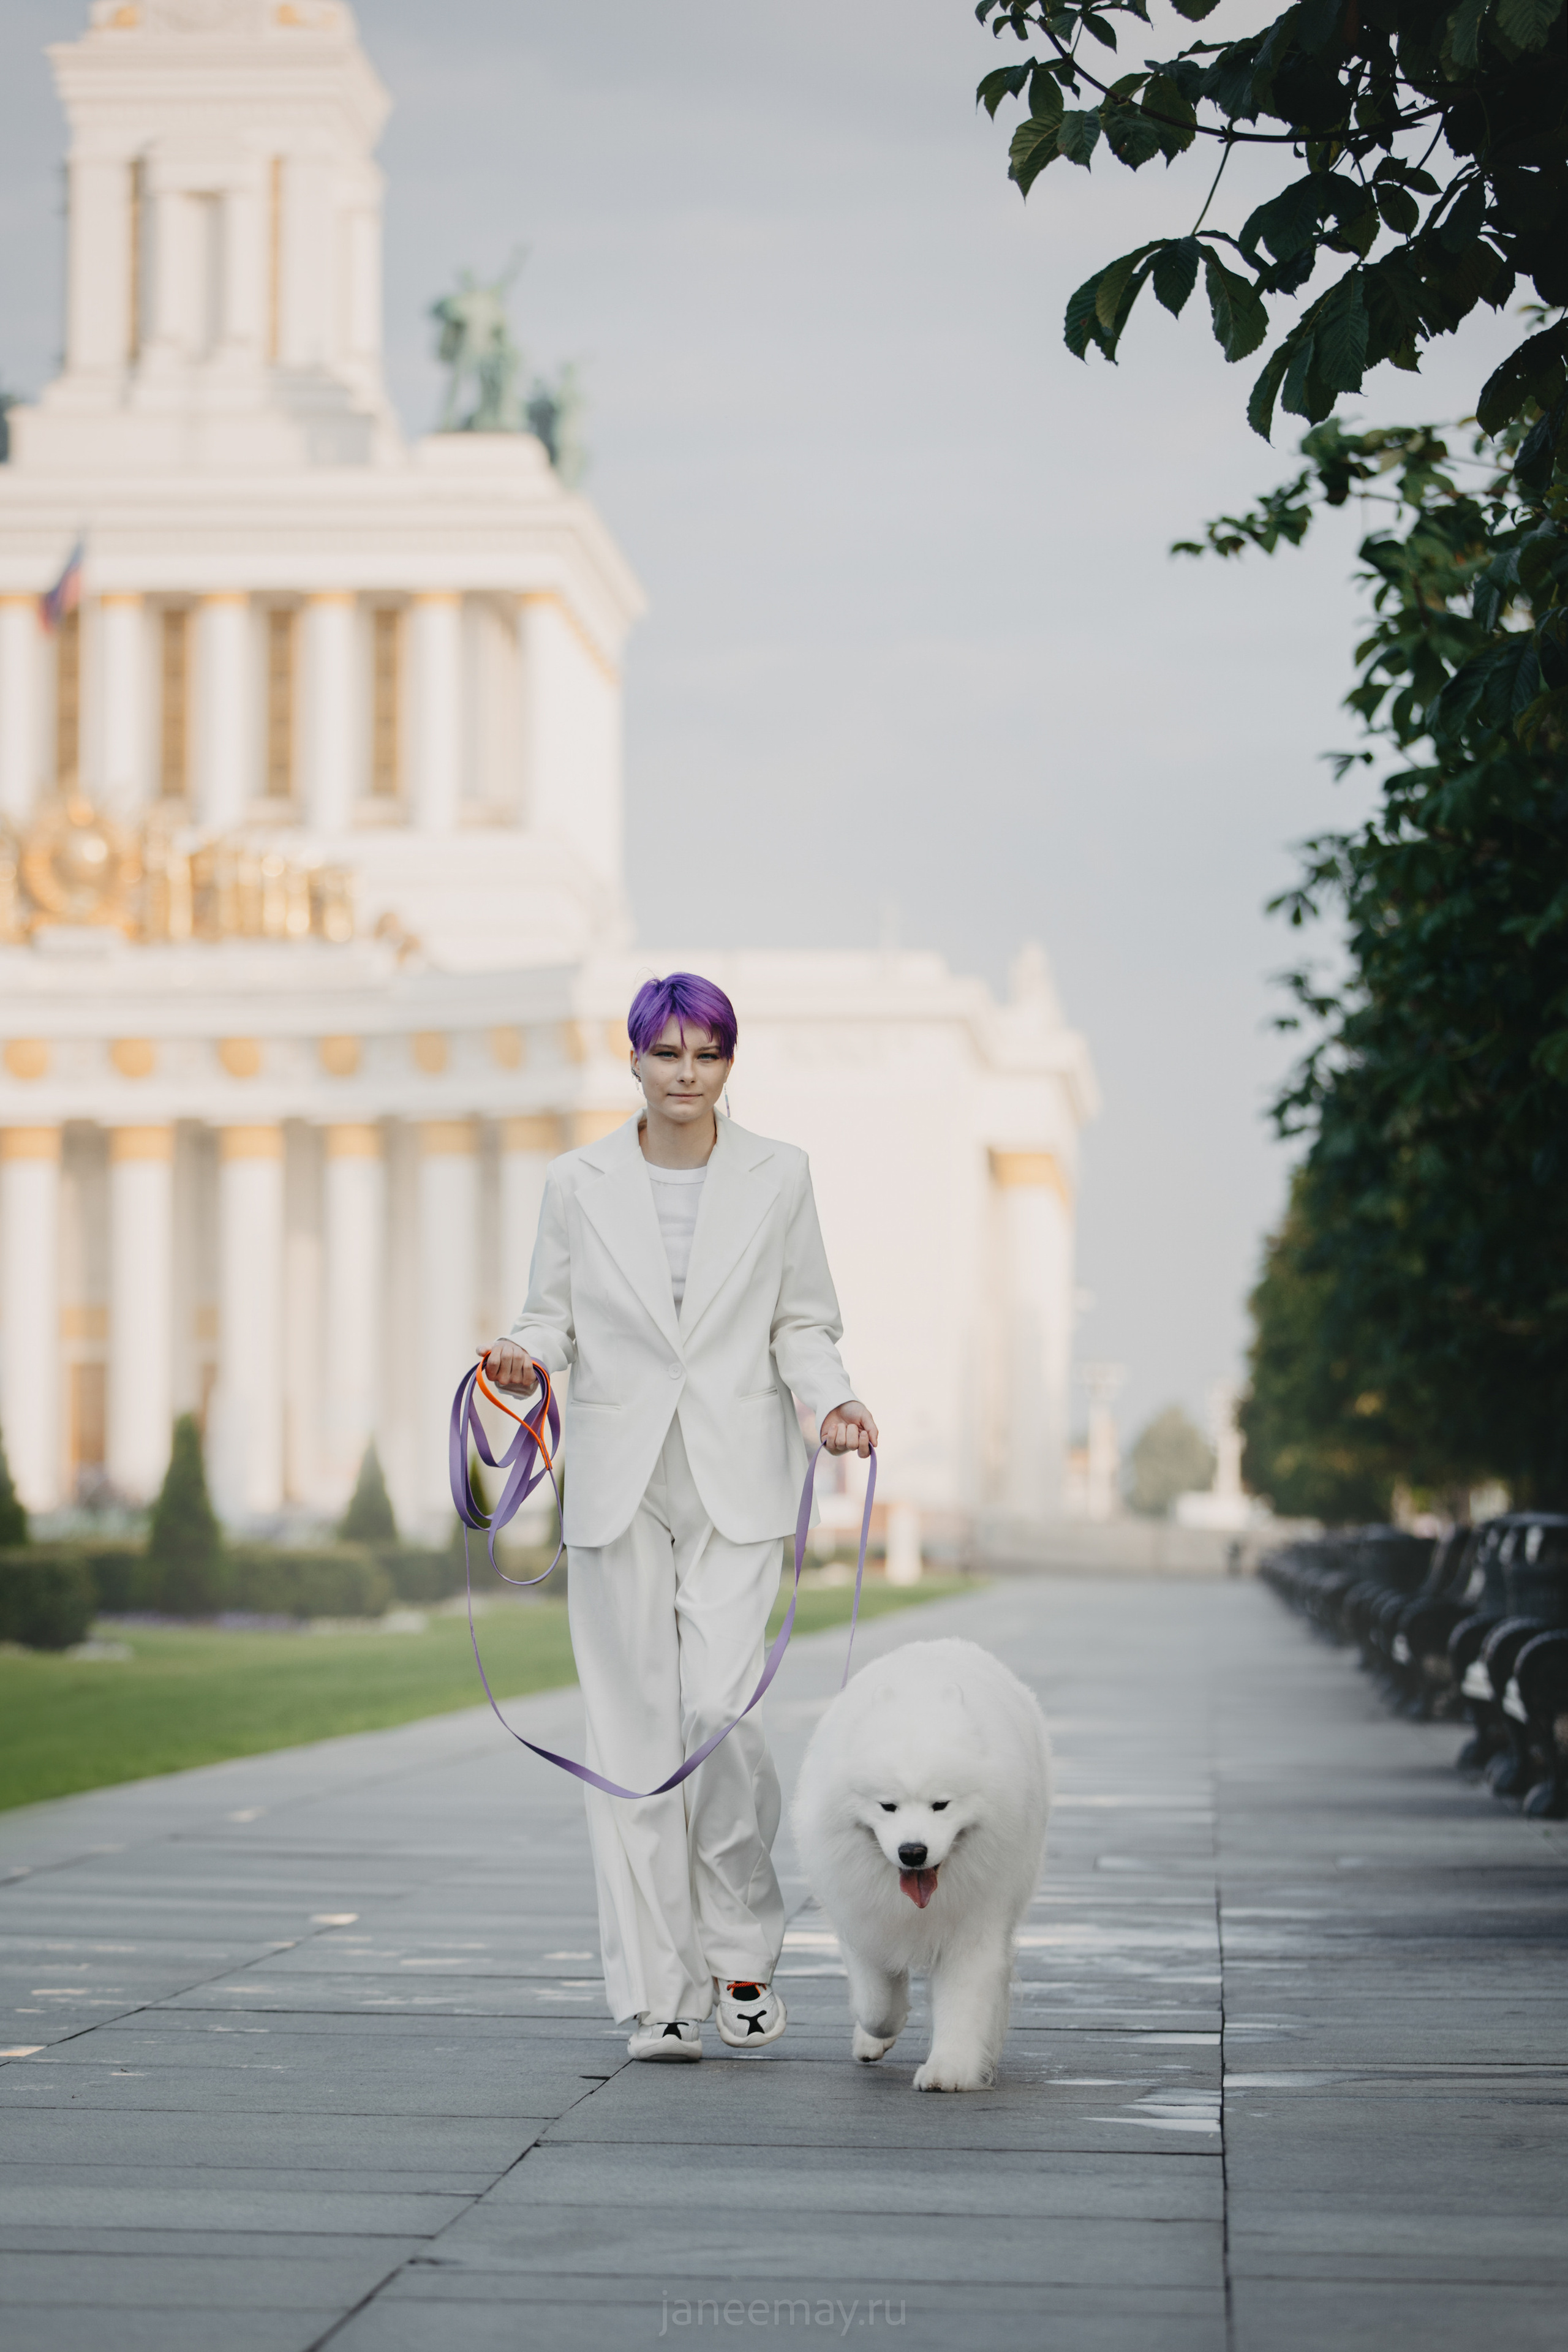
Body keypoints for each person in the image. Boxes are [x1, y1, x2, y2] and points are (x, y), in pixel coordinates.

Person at [484, 972, 878, 2062]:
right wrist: (522, 1359)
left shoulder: (780, 1175)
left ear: (729, 1066)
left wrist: (832, 1399)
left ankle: (743, 1953)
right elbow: (547, 1319)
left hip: (736, 1476)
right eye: (667, 1055)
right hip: (616, 1478)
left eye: (706, 1055)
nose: (686, 1075)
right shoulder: (577, 1181)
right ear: (635, 1063)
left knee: (720, 1712)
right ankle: (658, 1994)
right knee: (630, 1742)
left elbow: (804, 1320)